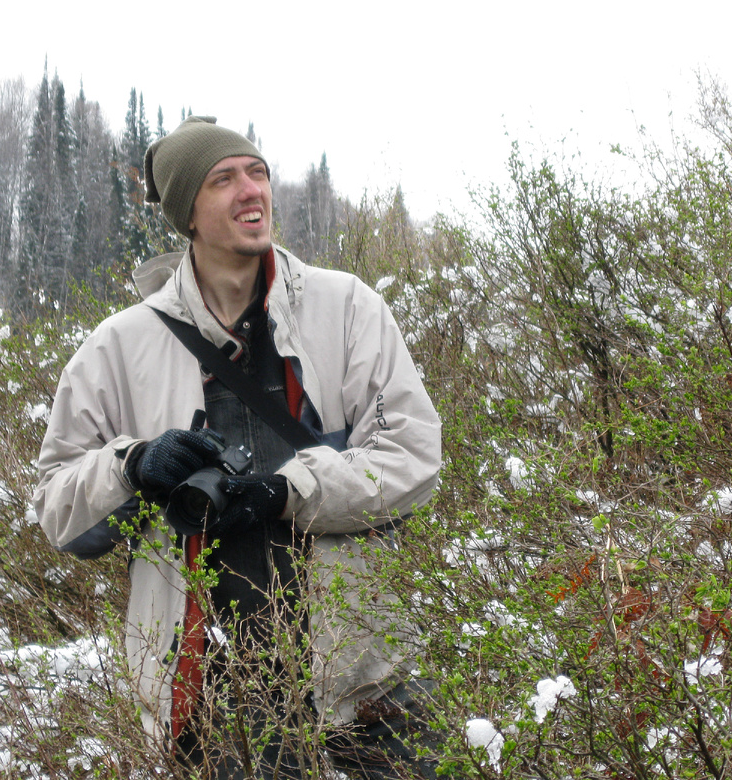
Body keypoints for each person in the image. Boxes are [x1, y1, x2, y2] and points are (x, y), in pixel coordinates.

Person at [33, 116, 442, 778]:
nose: (251, 191)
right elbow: (57, 506)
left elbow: (415, 457)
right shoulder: (122, 344)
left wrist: (291, 490)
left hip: (367, 679)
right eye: (224, 179)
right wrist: (133, 465)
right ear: (188, 213)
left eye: (257, 173)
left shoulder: (348, 309)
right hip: (217, 694)